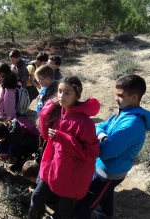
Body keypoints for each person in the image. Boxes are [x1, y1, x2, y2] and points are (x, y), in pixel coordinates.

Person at [74, 75, 150, 219]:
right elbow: (101, 125)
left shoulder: (131, 124)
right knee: (104, 200)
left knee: (82, 208)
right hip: (106, 168)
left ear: (134, 97)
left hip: (109, 173)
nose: (116, 98)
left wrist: (100, 137)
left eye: (120, 95)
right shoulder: (123, 111)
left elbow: (105, 151)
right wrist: (103, 136)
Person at [28, 76, 100, 219]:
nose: (61, 96)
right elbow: (45, 134)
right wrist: (46, 110)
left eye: (67, 92)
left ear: (77, 95)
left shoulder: (84, 122)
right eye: (60, 91)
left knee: (64, 211)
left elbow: (91, 154)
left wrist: (63, 138)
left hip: (70, 177)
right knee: (36, 197)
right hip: (51, 169)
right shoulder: (59, 113)